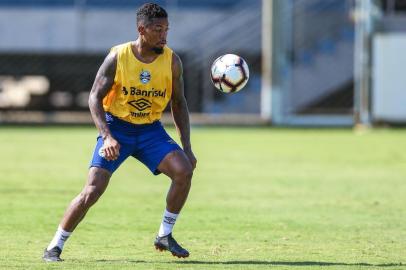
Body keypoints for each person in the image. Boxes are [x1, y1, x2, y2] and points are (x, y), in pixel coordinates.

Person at [43, 3, 196, 261]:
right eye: (158, 29)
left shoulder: (172, 61)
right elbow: (94, 97)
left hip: (150, 131)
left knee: (184, 170)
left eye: (166, 29)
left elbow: (179, 104)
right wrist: (107, 136)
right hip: (117, 128)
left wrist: (188, 148)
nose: (164, 35)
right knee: (93, 189)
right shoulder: (118, 56)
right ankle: (54, 246)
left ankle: (164, 234)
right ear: (141, 29)